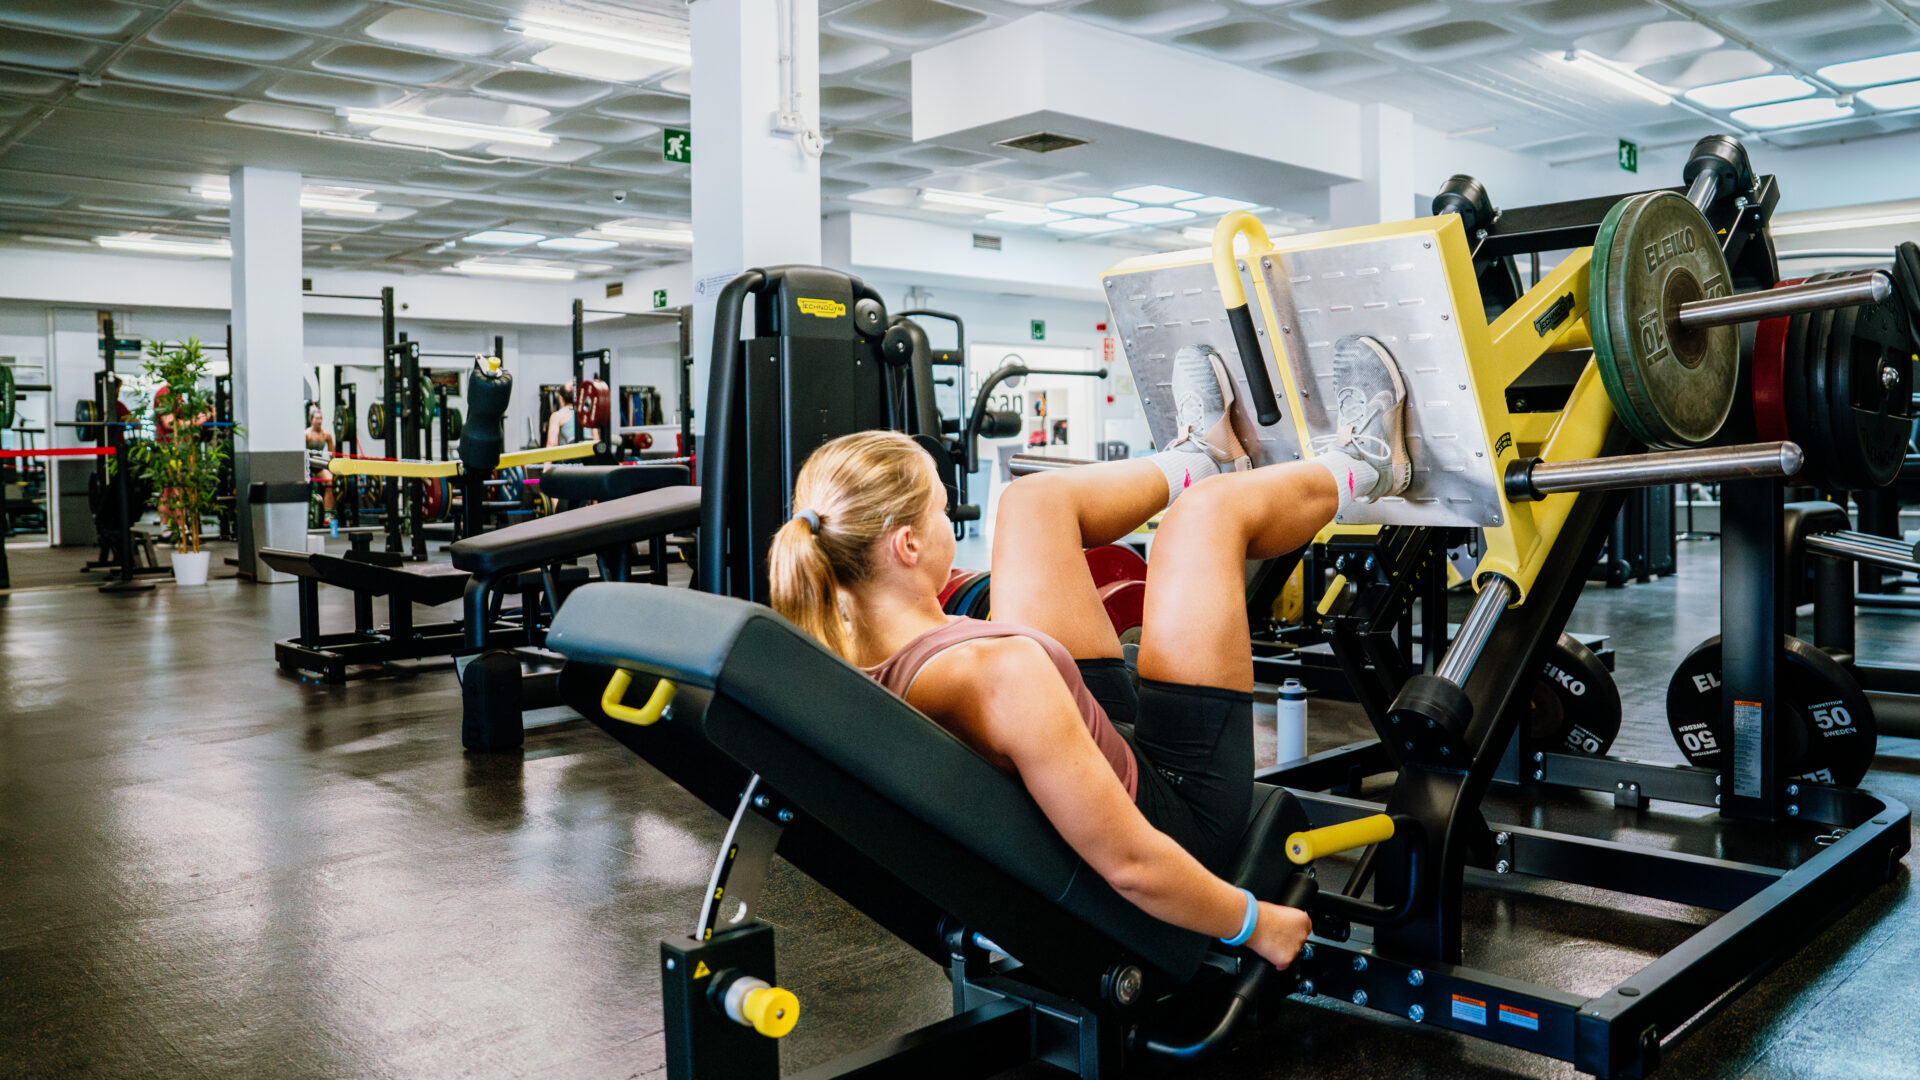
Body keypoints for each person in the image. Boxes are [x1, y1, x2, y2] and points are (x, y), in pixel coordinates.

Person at [769, 336, 1412, 973]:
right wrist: (1254, 922)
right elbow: (1133, 866)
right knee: (1204, 517)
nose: (949, 520)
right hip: (1177, 812)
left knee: (1031, 501)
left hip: (1088, 753)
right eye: (940, 508)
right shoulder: (998, 675)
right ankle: (1368, 465)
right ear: (908, 547)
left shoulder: (845, 649)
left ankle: (1205, 456)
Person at [545, 383, 600, 448]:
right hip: (591, 451)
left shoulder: (557, 416)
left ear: (561, 399)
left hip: (573, 453)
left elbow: (552, 444)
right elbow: (597, 440)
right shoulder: (588, 415)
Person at [306, 407, 335, 519]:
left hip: (318, 465)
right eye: (317, 418)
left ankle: (328, 514)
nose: (319, 421)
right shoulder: (307, 435)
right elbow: (301, 454)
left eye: (321, 418)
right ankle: (308, 514)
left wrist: (334, 468)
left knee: (330, 481)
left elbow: (333, 454)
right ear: (311, 420)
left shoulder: (326, 435)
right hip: (307, 465)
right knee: (305, 485)